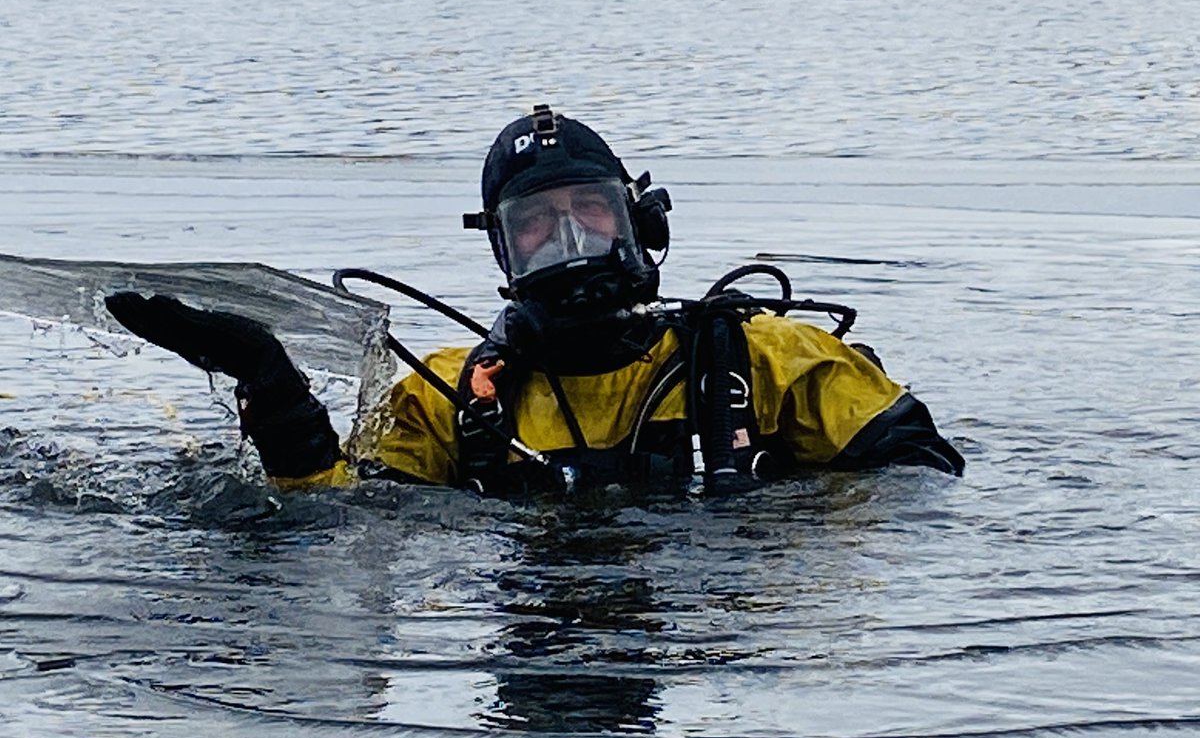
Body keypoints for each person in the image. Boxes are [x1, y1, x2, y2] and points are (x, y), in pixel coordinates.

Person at [106, 104, 963, 497]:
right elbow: (333, 522)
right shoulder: (449, 396)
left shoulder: (770, 360)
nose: (569, 243)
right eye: (537, 226)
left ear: (640, 223)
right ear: (501, 253)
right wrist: (270, 381)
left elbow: (925, 489)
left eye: (588, 213)